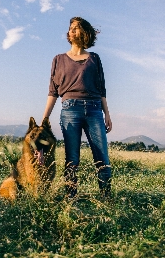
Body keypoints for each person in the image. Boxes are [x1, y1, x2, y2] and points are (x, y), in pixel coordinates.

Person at [42, 16, 112, 200]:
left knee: (102, 156)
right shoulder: (58, 59)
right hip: (70, 110)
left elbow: (101, 88)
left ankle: (106, 197)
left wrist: (107, 114)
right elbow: (53, 91)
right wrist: (45, 118)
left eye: (76, 28)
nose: (71, 30)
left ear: (85, 32)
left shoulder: (94, 59)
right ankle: (70, 196)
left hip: (95, 109)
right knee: (72, 158)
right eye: (70, 28)